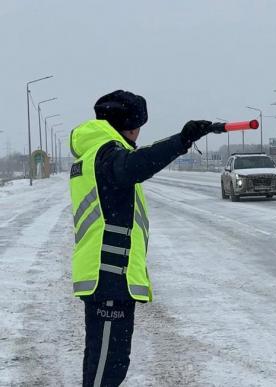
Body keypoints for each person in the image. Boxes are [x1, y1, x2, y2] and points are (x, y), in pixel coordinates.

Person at [69, 90, 221, 386]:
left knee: (106, 364)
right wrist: (181, 141)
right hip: (109, 278)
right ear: (126, 126)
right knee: (105, 370)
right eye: (136, 127)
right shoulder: (106, 155)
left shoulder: (97, 153)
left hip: (109, 278)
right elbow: (135, 164)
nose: (138, 134)